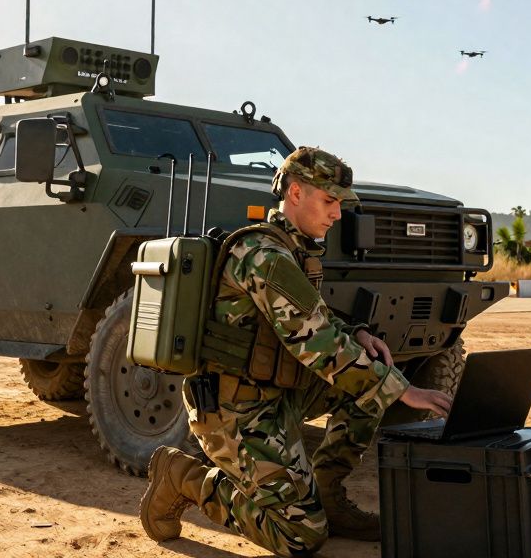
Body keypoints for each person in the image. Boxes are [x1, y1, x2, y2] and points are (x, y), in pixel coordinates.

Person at [139, 146, 454, 556]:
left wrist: (355, 333)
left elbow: (316, 320)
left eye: (339, 203)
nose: (337, 214)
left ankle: (327, 492)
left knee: (368, 378)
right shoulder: (264, 256)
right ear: (295, 193)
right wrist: (402, 390)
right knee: (301, 537)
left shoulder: (298, 251)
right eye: (329, 201)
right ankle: (183, 477)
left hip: (278, 395)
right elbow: (318, 344)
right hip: (235, 411)